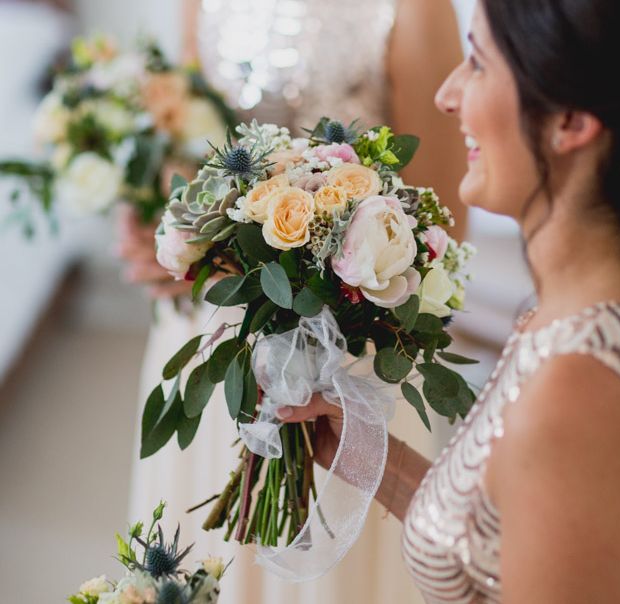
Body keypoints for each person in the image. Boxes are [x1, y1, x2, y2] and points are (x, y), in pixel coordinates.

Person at [279, 0, 620, 602]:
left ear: (569, 119)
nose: (447, 94)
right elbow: (514, 543)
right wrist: (367, 452)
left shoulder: (581, 392)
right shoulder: (590, 309)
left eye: (479, 64)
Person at [120, 1, 469, 602]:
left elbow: (442, 214)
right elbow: (189, 142)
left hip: (347, 346)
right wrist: (160, 223)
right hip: (213, 329)